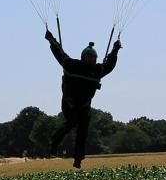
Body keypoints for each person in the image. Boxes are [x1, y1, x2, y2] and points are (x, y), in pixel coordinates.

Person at [44, 29, 121, 168]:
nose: (93, 59)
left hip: (84, 105)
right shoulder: (72, 65)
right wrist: (51, 39)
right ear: (84, 57)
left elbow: (109, 64)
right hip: (70, 103)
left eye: (94, 57)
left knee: (83, 131)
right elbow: (59, 53)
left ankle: (78, 159)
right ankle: (53, 144)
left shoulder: (97, 70)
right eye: (90, 56)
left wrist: (115, 50)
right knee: (72, 121)